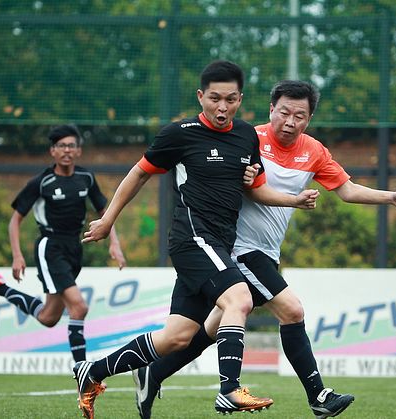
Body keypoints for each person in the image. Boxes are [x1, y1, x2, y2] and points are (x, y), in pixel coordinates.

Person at [132, 80, 396, 419]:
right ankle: (318, 395)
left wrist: (390, 197)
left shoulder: (313, 151)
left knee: (210, 328)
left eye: (300, 116)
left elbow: (347, 190)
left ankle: (153, 371)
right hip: (237, 247)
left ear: (309, 119)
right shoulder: (247, 138)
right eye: (284, 113)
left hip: (266, 252)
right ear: (271, 110)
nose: (290, 122)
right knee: (292, 310)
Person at [73, 61, 319, 419]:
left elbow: (257, 189)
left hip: (220, 244)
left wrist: (293, 199)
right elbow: (138, 174)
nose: (222, 108)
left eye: (231, 100)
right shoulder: (179, 133)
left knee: (177, 337)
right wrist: (109, 219)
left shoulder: (247, 135)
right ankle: (230, 390)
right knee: (240, 298)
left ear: (241, 99)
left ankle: (91, 371)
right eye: (215, 99)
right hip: (192, 239)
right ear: (200, 96)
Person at [0, 124, 126, 363]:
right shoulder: (41, 182)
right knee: (79, 307)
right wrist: (17, 255)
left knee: (48, 317)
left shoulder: (86, 178)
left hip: (74, 248)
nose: (67, 150)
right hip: (50, 247)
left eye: (71, 146)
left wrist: (114, 244)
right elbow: (15, 221)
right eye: (61, 146)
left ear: (79, 151)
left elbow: (105, 212)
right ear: (52, 151)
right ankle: (83, 376)